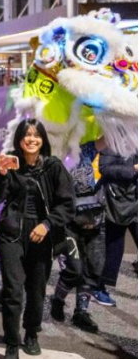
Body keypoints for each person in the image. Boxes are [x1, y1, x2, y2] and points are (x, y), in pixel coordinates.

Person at [0, 120, 74, 359]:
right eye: (27, 135)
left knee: (36, 290)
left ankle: (32, 332)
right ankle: (11, 344)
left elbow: (67, 204)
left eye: (36, 135)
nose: (32, 139)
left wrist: (47, 224)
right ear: (19, 139)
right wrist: (1, 175)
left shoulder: (53, 166)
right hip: (12, 233)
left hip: (42, 234)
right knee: (12, 291)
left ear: (43, 139)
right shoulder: (10, 162)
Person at [50, 140, 106, 334]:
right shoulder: (54, 158)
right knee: (74, 269)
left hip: (93, 219)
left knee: (93, 268)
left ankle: (81, 312)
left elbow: (107, 139)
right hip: (68, 224)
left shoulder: (85, 150)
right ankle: (58, 299)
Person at [97, 149, 138, 304]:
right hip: (120, 201)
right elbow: (105, 168)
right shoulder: (114, 140)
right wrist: (133, 169)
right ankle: (98, 287)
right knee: (114, 246)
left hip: (135, 199)